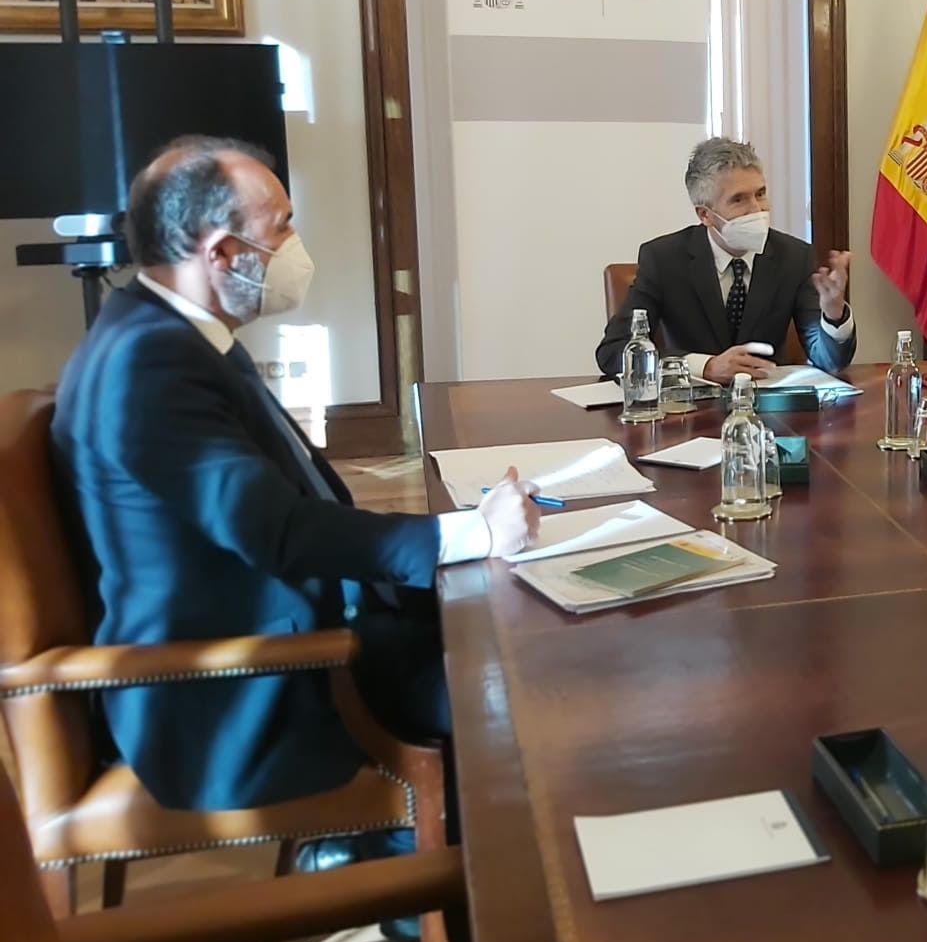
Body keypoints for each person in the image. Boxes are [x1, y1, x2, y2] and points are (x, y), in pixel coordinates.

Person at [51, 137, 544, 820]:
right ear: (221, 252)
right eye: (280, 225)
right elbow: (276, 530)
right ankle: (436, 879)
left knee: (510, 630)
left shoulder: (168, 332)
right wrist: (469, 532)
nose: (294, 243)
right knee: (522, 693)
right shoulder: (149, 363)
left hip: (296, 636)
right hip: (242, 693)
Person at [595, 137, 856, 384]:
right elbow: (614, 351)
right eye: (739, 199)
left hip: (771, 409)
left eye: (761, 193)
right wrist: (705, 366)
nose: (757, 209)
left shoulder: (794, 256)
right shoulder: (663, 259)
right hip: (688, 412)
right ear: (705, 215)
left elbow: (829, 361)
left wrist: (833, 314)